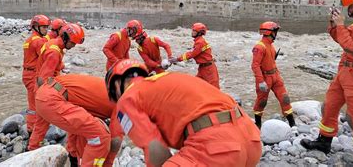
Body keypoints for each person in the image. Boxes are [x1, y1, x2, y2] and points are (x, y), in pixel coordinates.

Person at [105, 59, 261, 167]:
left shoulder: (127, 98)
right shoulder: (168, 80)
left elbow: (155, 149)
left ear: (116, 85)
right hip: (251, 140)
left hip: (218, 149)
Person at [301, 0, 353, 164]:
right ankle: (324, 142)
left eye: (352, 5)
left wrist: (340, 25)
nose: (350, 9)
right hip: (345, 72)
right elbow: (342, 37)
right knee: (328, 106)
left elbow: (352, 48)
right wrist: (334, 24)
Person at [35, 74, 123, 167]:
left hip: (44, 94)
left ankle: (74, 161)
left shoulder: (111, 89)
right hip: (53, 100)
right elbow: (115, 140)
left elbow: (79, 129)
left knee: (87, 129)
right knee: (101, 135)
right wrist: (107, 164)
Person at [28, 23, 85, 151]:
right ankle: (72, 147)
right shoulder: (54, 52)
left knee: (41, 123)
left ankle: (32, 147)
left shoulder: (53, 44)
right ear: (65, 37)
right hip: (45, 91)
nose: (74, 46)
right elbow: (44, 78)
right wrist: (60, 91)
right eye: (73, 43)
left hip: (41, 89)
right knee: (61, 116)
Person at [251, 21, 295, 128]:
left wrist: (277, 75)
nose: (276, 33)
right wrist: (261, 81)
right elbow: (255, 66)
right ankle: (258, 125)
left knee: (285, 99)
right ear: (269, 32)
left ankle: (292, 124)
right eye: (275, 31)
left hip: (275, 76)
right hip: (265, 78)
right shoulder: (260, 47)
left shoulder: (270, 45)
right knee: (262, 102)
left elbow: (271, 61)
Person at [22, 14, 51, 133]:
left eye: (47, 27)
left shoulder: (30, 39)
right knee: (35, 104)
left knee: (33, 102)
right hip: (32, 75)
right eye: (44, 27)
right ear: (36, 27)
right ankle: (32, 129)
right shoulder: (38, 41)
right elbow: (46, 56)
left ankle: (32, 127)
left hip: (28, 74)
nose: (46, 29)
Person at [169, 23, 220, 88]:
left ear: (199, 33)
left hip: (208, 69)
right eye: (192, 30)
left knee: (214, 89)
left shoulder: (200, 42)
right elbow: (192, 53)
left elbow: (191, 54)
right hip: (203, 68)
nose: (192, 32)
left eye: (194, 31)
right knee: (196, 86)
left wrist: (177, 59)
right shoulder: (199, 41)